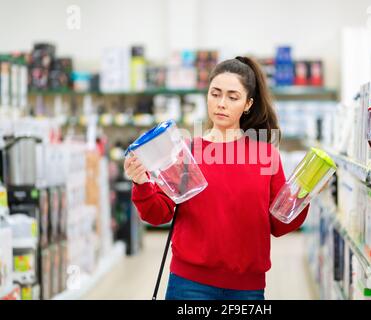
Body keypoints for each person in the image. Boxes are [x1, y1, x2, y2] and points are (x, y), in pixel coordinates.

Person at [124, 56, 310, 300]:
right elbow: (159, 214)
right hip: (189, 284)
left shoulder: (266, 155)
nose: (221, 103)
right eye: (215, 94)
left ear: (247, 104)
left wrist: (306, 191)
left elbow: (280, 224)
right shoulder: (186, 152)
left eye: (232, 97)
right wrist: (141, 183)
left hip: (248, 289)